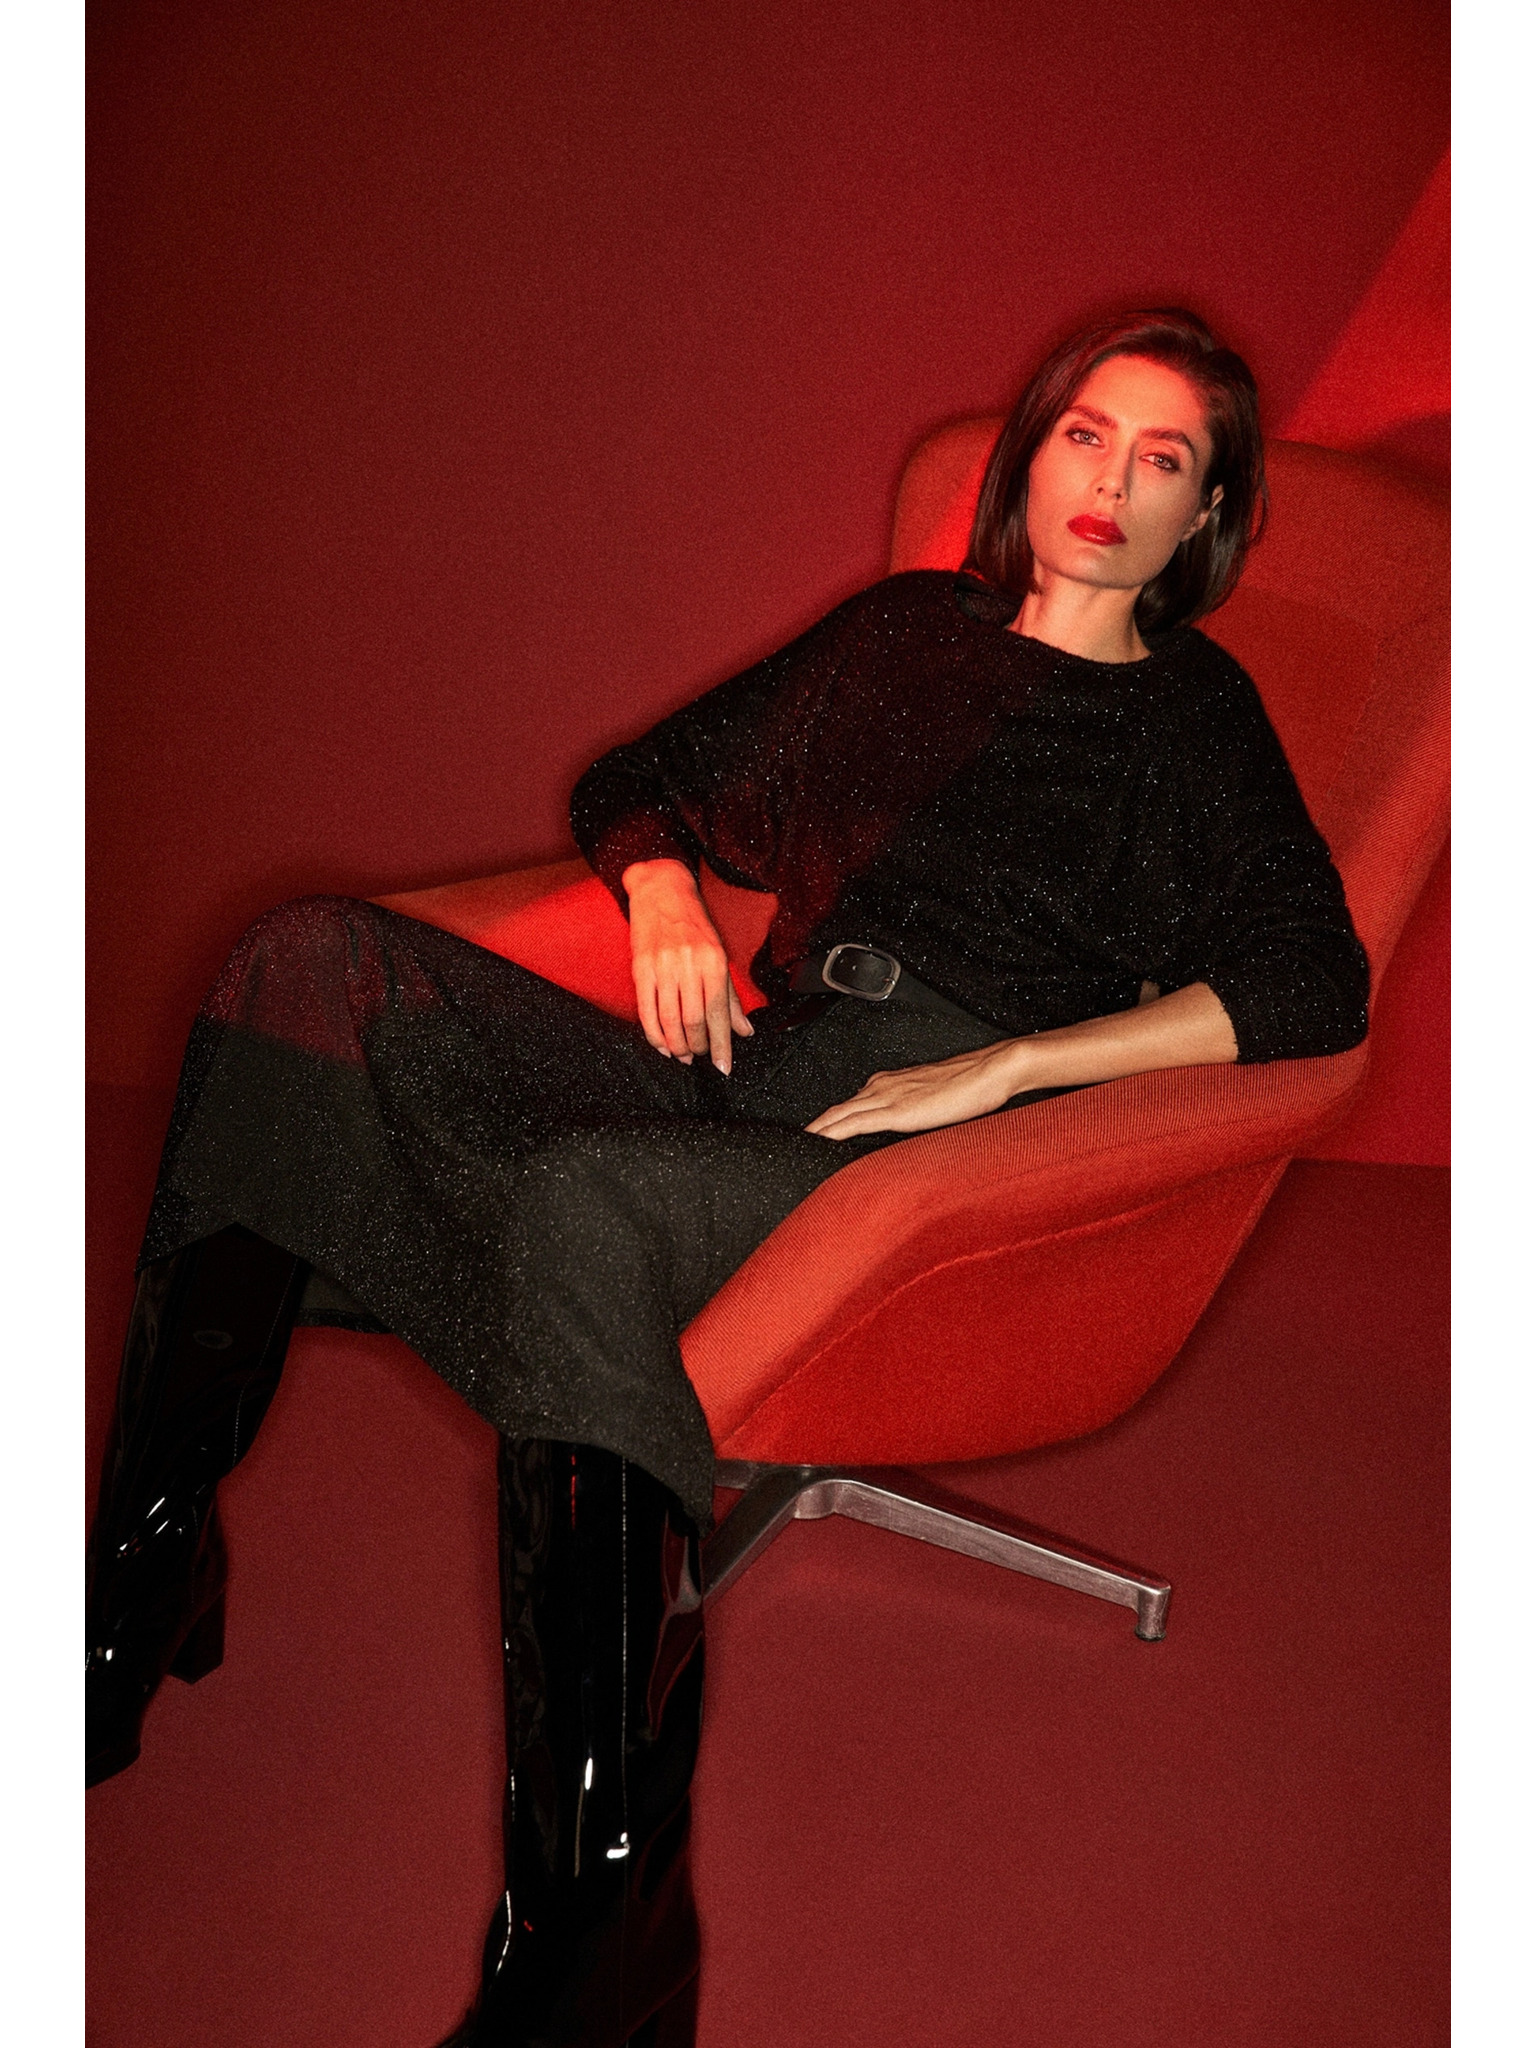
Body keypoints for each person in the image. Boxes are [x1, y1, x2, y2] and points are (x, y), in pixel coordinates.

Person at [85, 308, 1369, 2046]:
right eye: (1087, 434)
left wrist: (1011, 1067)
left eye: (1165, 461)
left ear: (1205, 514)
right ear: (1031, 453)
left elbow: (1311, 983)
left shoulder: (1195, 719)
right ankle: (146, 1567)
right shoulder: (903, 633)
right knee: (305, 960)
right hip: (754, 1072)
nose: (1112, 482)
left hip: (918, 1157)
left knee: (574, 1210)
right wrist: (666, 895)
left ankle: (601, 1922)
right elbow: (644, 783)